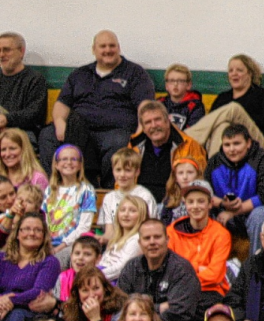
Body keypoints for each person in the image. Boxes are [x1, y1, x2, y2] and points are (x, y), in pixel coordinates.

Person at [41, 31, 155, 186]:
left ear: (119, 48)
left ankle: (108, 192)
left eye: (112, 46)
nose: (108, 50)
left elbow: (145, 106)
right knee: (47, 136)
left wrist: (140, 134)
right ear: (93, 49)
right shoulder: (80, 74)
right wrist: (60, 122)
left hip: (115, 131)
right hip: (79, 129)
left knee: (119, 142)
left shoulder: (135, 73)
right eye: (103, 46)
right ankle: (56, 189)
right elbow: (62, 103)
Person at [115, 220, 201, 321]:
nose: (152, 242)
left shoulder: (181, 269)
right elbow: (120, 303)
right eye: (147, 238)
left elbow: (180, 312)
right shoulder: (131, 267)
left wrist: (144, 316)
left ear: (167, 239)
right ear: (140, 243)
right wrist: (159, 307)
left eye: (157, 237)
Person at [212, 56, 264, 185]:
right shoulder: (222, 98)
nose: (234, 74)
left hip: (253, 142)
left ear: (250, 73)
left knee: (233, 111)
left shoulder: (262, 95)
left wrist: (240, 116)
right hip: (225, 144)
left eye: (239, 70)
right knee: (221, 127)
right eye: (231, 70)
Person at [0, 212, 60, 321]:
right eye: (26, 228)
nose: (31, 233)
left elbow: (38, 292)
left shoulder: (49, 262)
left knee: (15, 315)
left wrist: (10, 300)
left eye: (38, 230)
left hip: (28, 312)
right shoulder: (2, 258)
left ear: (44, 235)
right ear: (17, 233)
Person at [167, 181, 232, 314]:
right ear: (185, 204)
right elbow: (169, 272)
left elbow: (215, 275)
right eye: (191, 202)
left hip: (210, 292)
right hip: (178, 292)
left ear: (210, 204)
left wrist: (185, 275)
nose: (195, 206)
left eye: (201, 201)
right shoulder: (171, 232)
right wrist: (199, 269)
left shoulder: (221, 234)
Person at [208, 126, 264, 237]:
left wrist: (233, 212)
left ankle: (256, 254)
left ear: (248, 143)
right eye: (227, 145)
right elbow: (204, 192)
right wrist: (222, 203)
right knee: (199, 209)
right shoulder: (214, 162)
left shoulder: (263, 160)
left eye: (236, 143)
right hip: (225, 210)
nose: (232, 149)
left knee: (258, 215)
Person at [127, 105, 207, 206]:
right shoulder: (134, 147)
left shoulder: (190, 146)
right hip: (138, 206)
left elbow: (199, 183)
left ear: (168, 121)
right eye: (148, 122)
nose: (154, 125)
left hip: (173, 206)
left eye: (157, 120)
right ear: (143, 128)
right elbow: (122, 181)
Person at [43, 146, 96, 267]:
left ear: (79, 165)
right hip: (48, 243)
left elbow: (84, 227)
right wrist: (47, 244)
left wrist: (61, 246)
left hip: (72, 244)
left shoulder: (86, 191)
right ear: (56, 164)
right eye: (64, 159)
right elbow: (44, 221)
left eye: (73, 159)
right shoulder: (49, 190)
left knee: (54, 263)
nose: (68, 162)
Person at [0, 35, 47, 147]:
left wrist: (6, 119)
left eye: (6, 50)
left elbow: (34, 114)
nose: (1, 55)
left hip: (23, 133)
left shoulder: (35, 79)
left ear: (21, 51)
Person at [99, 150, 158, 230]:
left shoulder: (145, 196)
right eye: (118, 170)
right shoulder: (109, 198)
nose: (122, 175)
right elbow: (109, 232)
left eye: (127, 170)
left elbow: (149, 228)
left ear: (137, 172)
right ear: (113, 171)